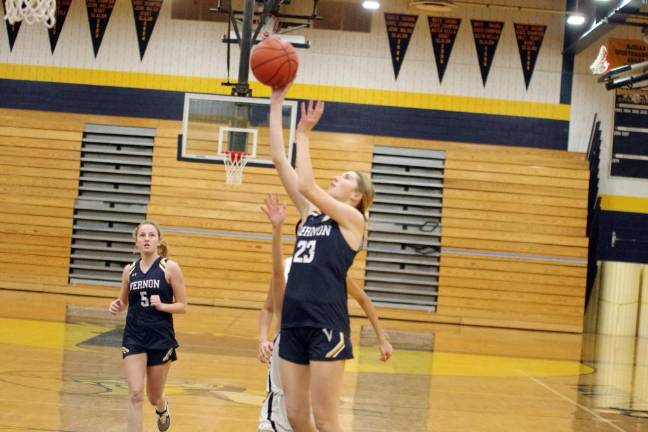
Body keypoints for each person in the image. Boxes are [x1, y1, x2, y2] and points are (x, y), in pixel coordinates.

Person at [269, 85, 376, 432]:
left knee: (327, 418)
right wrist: (275, 103)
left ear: (357, 195)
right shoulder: (311, 215)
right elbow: (279, 161)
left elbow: (307, 185)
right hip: (294, 322)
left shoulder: (354, 221)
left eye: (345, 177)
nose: (337, 177)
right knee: (298, 416)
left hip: (327, 324)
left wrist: (303, 134)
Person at [257, 194, 392, 432]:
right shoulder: (286, 266)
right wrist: (263, 338)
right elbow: (269, 306)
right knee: (287, 410)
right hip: (289, 339)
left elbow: (364, 299)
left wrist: (382, 339)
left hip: (319, 337)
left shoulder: (329, 268)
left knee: (316, 413)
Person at [108, 220, 187, 432]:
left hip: (160, 338)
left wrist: (163, 305)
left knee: (153, 396)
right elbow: (123, 301)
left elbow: (183, 305)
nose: (147, 239)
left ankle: (162, 407)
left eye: (151, 235)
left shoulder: (169, 267)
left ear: (158, 240)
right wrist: (117, 305)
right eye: (142, 235)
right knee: (135, 393)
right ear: (136, 241)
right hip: (134, 337)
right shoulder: (129, 270)